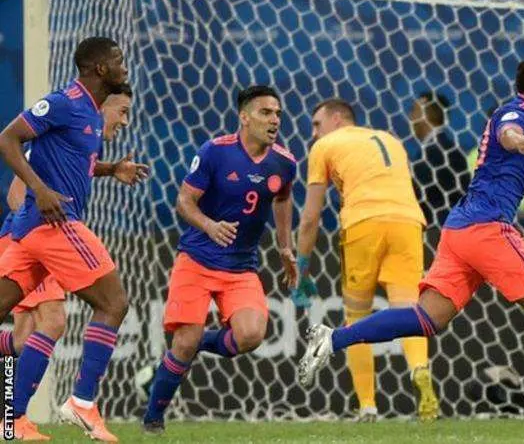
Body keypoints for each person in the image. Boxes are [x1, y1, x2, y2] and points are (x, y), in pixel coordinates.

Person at [299, 55, 524, 431]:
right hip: (486, 227)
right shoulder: (517, 112)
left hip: (459, 230)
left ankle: (332, 339)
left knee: (426, 318)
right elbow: (509, 134)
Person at [0, 37, 142, 442]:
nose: (124, 66)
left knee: (29, 324)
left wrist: (112, 168)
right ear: (100, 68)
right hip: (54, 223)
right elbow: (7, 139)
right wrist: (40, 190)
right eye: (118, 60)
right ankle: (81, 402)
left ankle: (13, 420)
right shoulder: (64, 102)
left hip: (29, 232)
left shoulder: (92, 116)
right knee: (114, 302)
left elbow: (80, 164)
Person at [142, 86, 297, 434]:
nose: (274, 120)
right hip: (196, 260)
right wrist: (210, 226)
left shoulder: (284, 162)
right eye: (265, 113)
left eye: (278, 114)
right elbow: (184, 201)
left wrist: (285, 246)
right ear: (244, 117)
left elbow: (283, 199)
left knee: (251, 335)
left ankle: (182, 355)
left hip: (241, 267)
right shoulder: (215, 151)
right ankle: (152, 419)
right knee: (184, 341)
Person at [292, 98, 438, 422]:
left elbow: (310, 218)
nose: (314, 134)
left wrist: (301, 268)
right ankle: (419, 370)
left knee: (356, 318)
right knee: (408, 311)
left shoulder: (326, 145)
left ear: (338, 119)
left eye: (317, 124)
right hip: (408, 223)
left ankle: (368, 405)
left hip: (364, 222)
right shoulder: (390, 139)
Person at [409, 92, 470, 225]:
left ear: (424, 114)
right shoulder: (445, 148)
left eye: (414, 111)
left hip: (440, 230)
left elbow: (418, 191)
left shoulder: (436, 151)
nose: (410, 118)